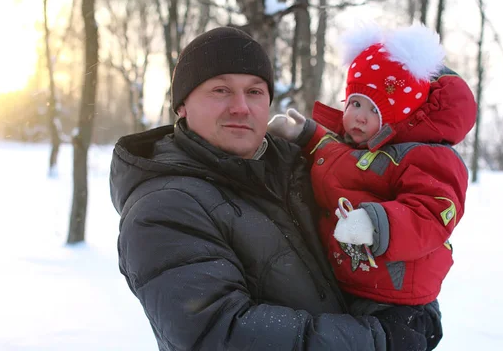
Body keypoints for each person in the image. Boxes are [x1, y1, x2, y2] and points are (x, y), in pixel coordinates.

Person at [110, 26, 436, 350]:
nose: (241, 106)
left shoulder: (303, 167)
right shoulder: (162, 208)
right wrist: (379, 340)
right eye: (220, 90)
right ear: (182, 105)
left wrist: (413, 306)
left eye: (254, 92)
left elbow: (397, 234)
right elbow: (223, 333)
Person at [268, 22, 477, 350]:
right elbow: (331, 154)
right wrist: (304, 134)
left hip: (397, 299)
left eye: (374, 108)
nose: (358, 117)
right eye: (354, 103)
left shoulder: (425, 157)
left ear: (399, 114)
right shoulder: (353, 146)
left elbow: (433, 212)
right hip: (353, 285)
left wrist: (377, 223)